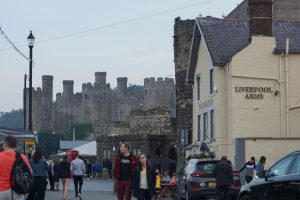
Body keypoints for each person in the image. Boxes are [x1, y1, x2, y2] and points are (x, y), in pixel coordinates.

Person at [0, 136, 31, 200]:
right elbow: (30, 171)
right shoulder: (22, 157)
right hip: (17, 190)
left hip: (1, 190)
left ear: (5, 145)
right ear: (14, 145)